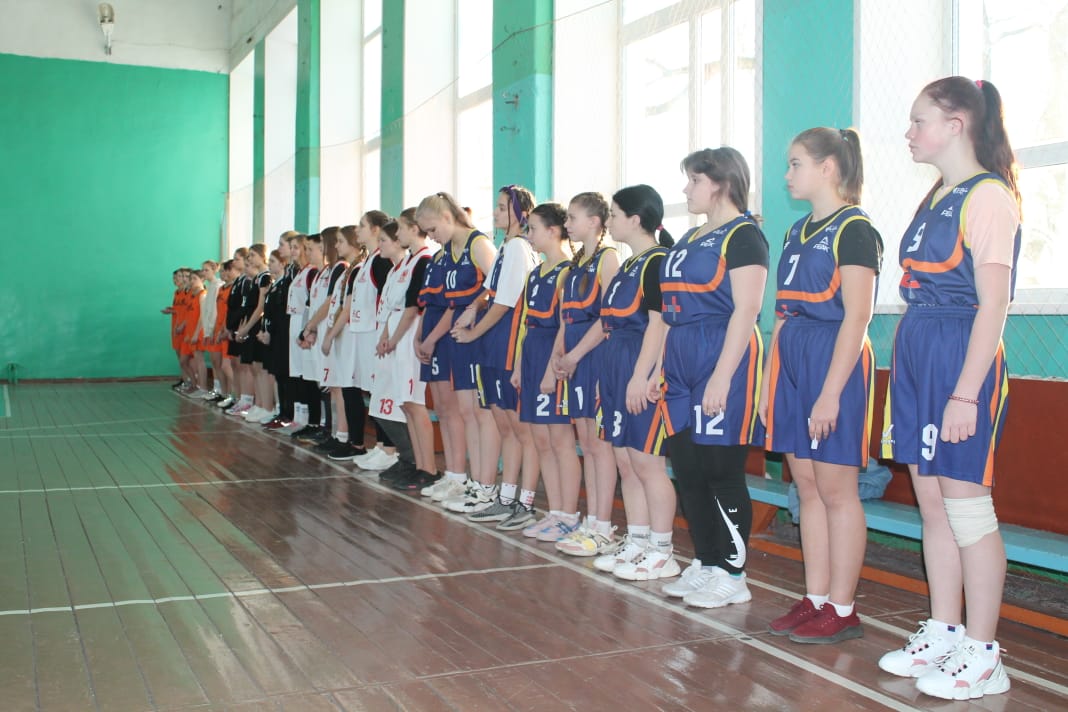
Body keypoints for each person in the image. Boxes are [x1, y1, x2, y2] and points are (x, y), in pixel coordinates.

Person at [877, 76, 1020, 701]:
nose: (909, 133)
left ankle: (984, 655)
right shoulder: (938, 196)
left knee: (967, 509)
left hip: (960, 353)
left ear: (956, 124)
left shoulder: (988, 197)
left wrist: (966, 393)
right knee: (932, 504)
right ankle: (944, 630)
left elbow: (994, 305)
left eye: (919, 121)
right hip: (919, 349)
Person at [760, 127, 883, 643]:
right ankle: (815, 598)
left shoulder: (855, 229)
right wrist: (769, 387)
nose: (788, 174)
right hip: (793, 358)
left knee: (837, 491)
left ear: (827, 167)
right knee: (806, 488)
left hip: (834, 358)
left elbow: (858, 316)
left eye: (796, 164)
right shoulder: (796, 231)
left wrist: (831, 392)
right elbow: (781, 314)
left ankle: (843, 606)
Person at [659, 147, 769, 602]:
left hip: (721, 350)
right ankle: (706, 561)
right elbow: (669, 311)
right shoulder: (689, 237)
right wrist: (657, 366)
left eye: (694, 180)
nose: (686, 189)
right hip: (681, 355)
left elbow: (747, 308)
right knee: (687, 469)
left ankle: (733, 574)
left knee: (721, 469)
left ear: (721, 183)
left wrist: (723, 376)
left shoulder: (743, 235)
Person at [591, 185, 676, 575]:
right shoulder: (628, 265)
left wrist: (642, 376)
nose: (609, 221)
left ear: (635, 219)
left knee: (647, 463)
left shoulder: (657, 262)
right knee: (625, 460)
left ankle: (662, 550)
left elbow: (660, 324)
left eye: (613, 214)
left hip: (638, 365)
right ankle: (638, 541)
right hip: (615, 365)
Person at [458, 186, 541, 528]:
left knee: (522, 430)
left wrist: (473, 333)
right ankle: (505, 499)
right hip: (493, 344)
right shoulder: (507, 247)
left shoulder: (519, 247)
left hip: (508, 343)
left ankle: (525, 503)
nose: (495, 212)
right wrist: (473, 307)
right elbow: (491, 292)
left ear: (521, 214)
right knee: (506, 426)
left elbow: (506, 302)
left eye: (502, 207)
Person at [415, 192, 497, 510]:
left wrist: (476, 305)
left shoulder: (478, 244)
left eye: (433, 229)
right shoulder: (448, 251)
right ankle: (464, 479)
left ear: (447, 218)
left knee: (478, 414)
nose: (431, 237)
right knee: (464, 412)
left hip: (478, 335)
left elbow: (499, 286)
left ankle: (481, 483)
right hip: (459, 334)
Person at [553, 192, 621, 555]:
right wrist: (559, 355)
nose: (567, 224)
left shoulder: (608, 259)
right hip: (575, 358)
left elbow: (608, 317)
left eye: (572, 217)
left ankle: (603, 526)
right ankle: (592, 521)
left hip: (594, 356)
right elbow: (567, 318)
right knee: (587, 444)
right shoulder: (577, 263)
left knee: (599, 444)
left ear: (594, 221)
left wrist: (576, 354)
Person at [510, 203, 583, 540]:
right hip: (532, 355)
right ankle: (554, 513)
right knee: (541, 439)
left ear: (553, 231)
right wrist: (518, 365)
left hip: (553, 356)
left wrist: (551, 370)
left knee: (560, 439)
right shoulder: (536, 273)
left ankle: (569, 515)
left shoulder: (569, 271)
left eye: (533, 229)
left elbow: (565, 325)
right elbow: (525, 324)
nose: (529, 235)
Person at [382, 210, 442, 491]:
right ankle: (419, 465)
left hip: (410, 337)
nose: (398, 234)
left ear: (414, 228)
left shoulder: (425, 260)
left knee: (415, 404)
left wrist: (394, 339)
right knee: (406, 404)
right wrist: (388, 336)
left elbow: (412, 308)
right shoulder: (409, 261)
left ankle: (429, 469)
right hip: (400, 337)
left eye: (401, 228)